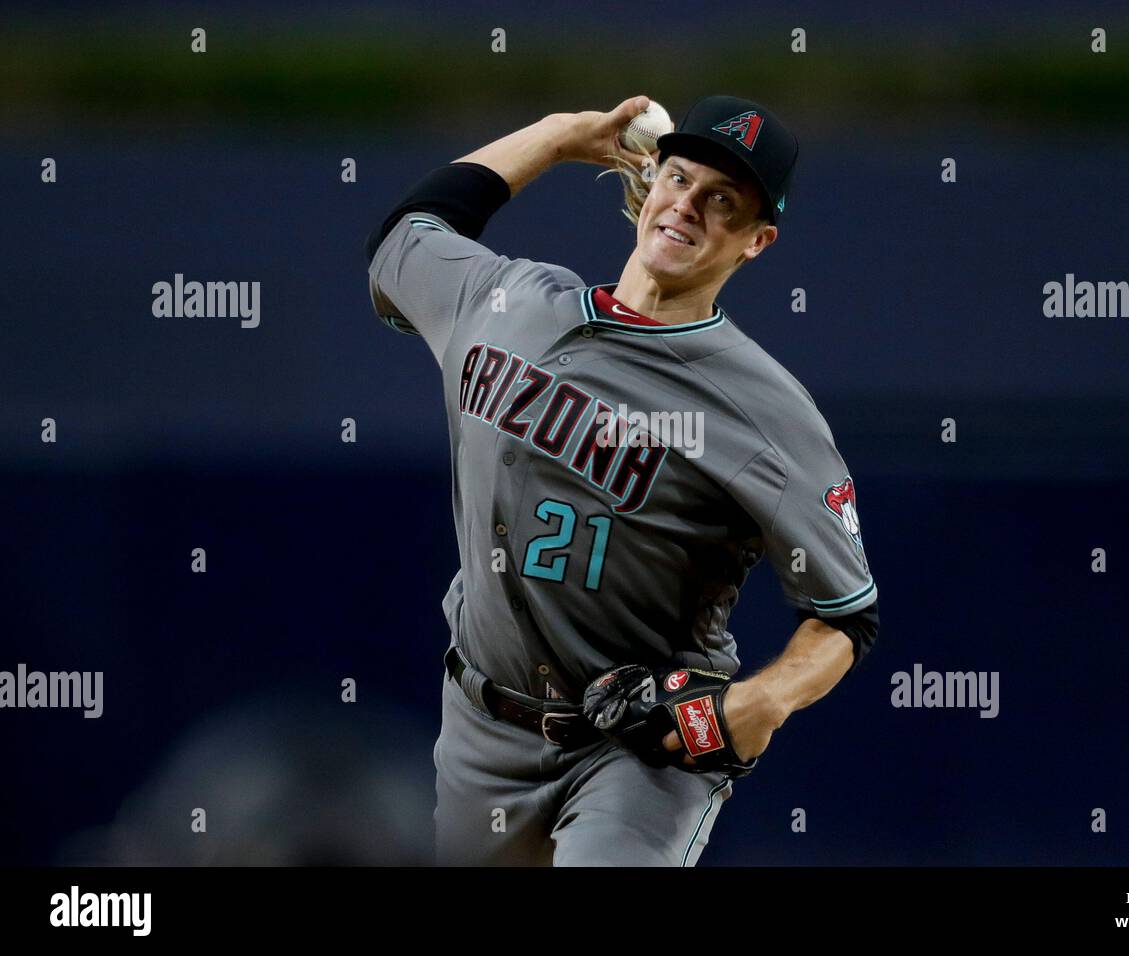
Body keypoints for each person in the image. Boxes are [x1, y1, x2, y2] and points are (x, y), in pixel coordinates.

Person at [364, 94, 880, 866]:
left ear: (755, 241)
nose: (688, 207)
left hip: (639, 751)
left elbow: (846, 616)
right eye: (679, 178)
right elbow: (407, 236)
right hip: (481, 727)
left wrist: (763, 700)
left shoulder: (764, 409)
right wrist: (560, 135)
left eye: (722, 202)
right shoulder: (507, 301)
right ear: (649, 181)